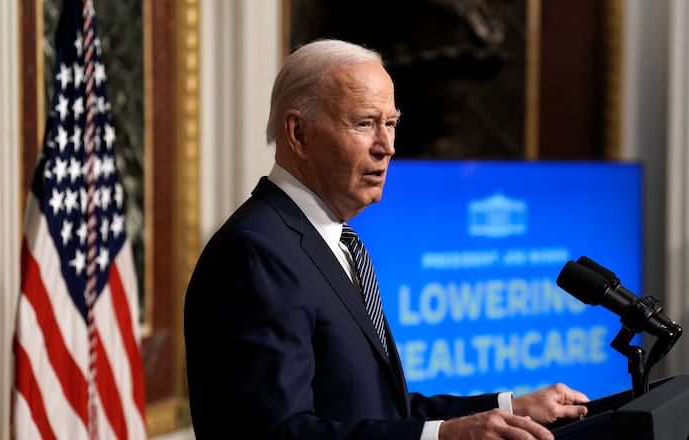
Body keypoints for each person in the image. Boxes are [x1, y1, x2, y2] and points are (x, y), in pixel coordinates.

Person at [184, 38, 589, 440]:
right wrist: (444, 438)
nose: (388, 147)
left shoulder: (332, 241)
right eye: (364, 123)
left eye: (391, 124)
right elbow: (276, 434)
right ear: (298, 133)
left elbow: (380, 411)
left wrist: (509, 409)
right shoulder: (256, 251)